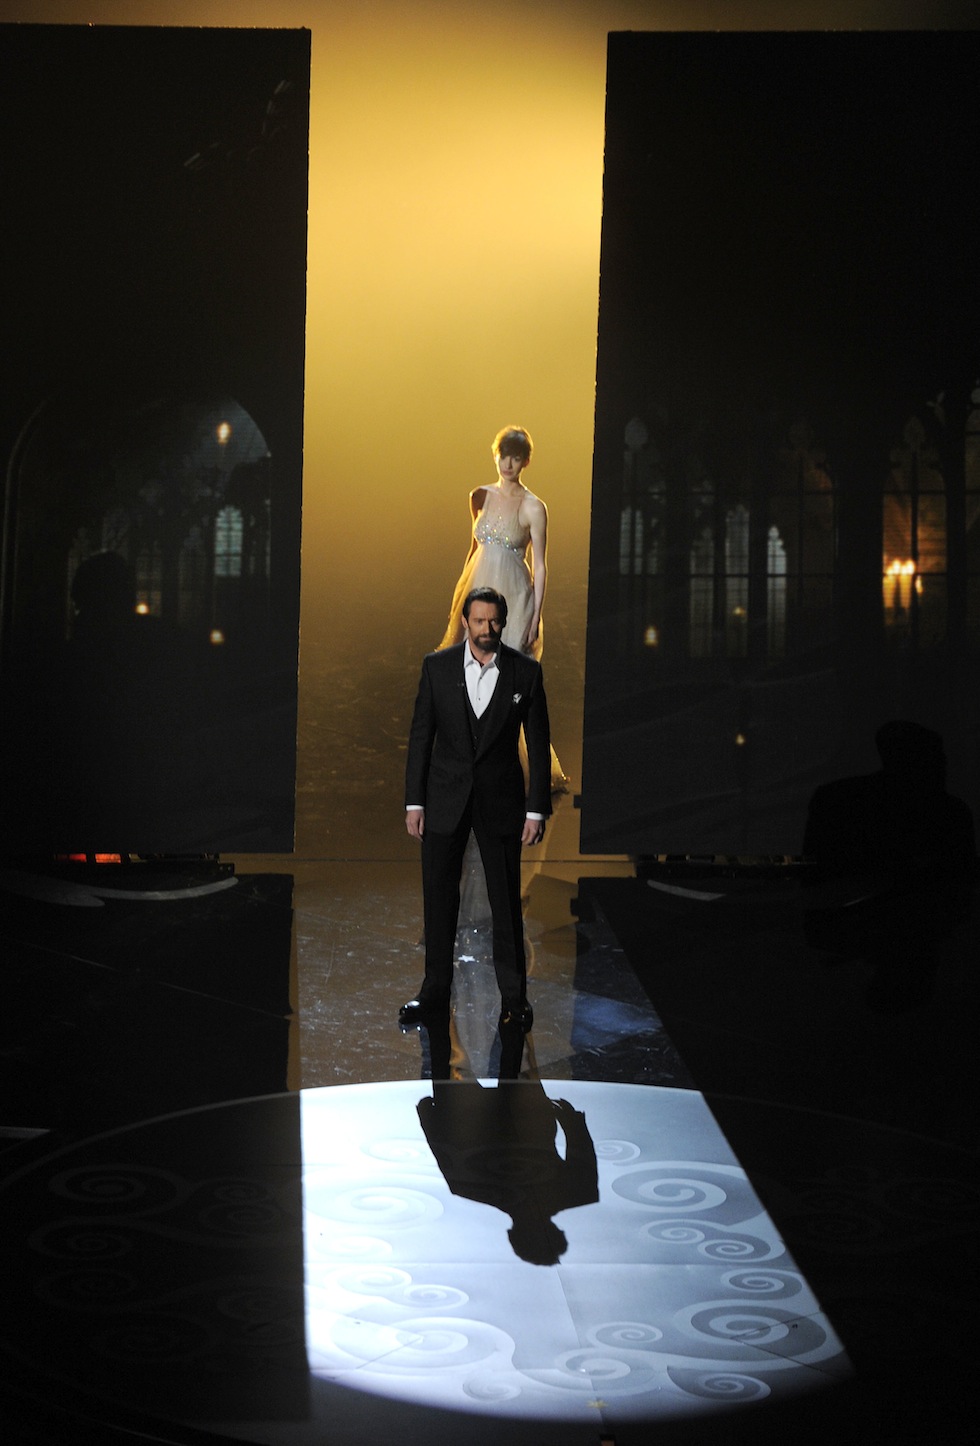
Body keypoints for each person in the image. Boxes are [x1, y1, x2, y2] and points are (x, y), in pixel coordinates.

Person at [403, 585, 552, 1031]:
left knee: (505, 903)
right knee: (439, 900)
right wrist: (414, 801)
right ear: (465, 621)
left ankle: (514, 999)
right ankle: (434, 993)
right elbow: (420, 737)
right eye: (479, 620)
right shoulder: (437, 667)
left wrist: (536, 809)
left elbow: (538, 744)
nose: (487, 628)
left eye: (494, 621)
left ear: (503, 622)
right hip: (444, 799)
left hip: (501, 801)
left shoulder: (525, 673)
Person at [439, 423, 566, 791]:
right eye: (503, 456)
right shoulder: (479, 496)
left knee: (504, 688)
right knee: (469, 681)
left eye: (515, 457)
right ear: (495, 456)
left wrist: (535, 616)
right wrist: (459, 603)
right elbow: (473, 550)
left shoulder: (533, 507)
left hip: (513, 599)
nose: (508, 463)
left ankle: (506, 772)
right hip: (478, 593)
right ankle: (473, 768)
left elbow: (540, 565)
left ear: (525, 462)